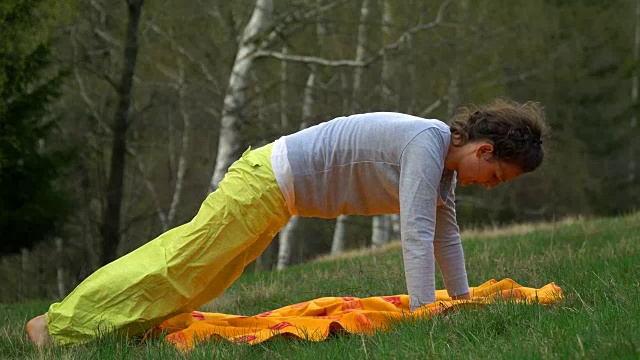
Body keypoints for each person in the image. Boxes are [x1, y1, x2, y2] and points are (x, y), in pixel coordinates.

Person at [27, 98, 547, 347]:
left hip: (275, 198)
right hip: (263, 183)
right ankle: (55, 327)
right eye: (496, 173)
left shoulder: (442, 174)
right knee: (179, 263)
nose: (492, 184)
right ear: (482, 148)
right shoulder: (426, 145)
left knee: (205, 278)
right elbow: (415, 230)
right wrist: (424, 311)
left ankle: (115, 332)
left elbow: (443, 231)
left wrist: (460, 302)